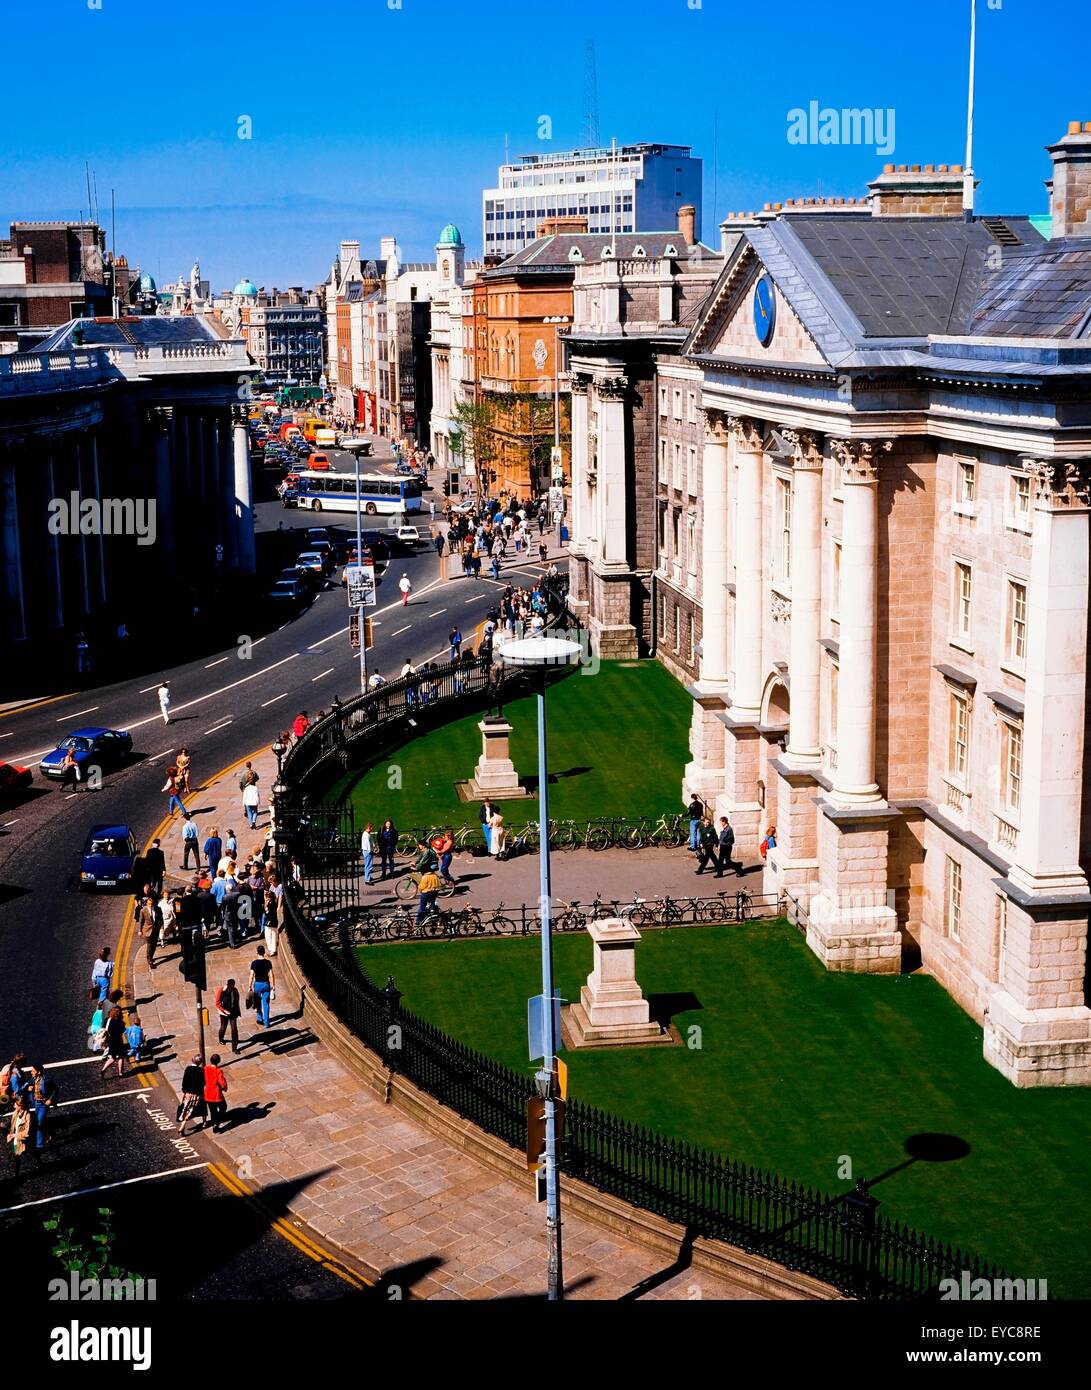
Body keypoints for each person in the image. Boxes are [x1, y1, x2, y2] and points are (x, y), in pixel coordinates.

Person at [23, 1064, 57, 1151]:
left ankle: (39, 1145)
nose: (31, 1072)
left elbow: (55, 1089)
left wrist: (50, 1099)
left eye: (33, 1071)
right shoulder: (33, 1080)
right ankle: (51, 1133)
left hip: (43, 1105)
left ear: (38, 1072)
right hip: (36, 1104)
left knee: (38, 1123)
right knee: (41, 1122)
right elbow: (25, 1087)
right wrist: (28, 1089)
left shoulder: (46, 1080)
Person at [7, 1095, 38, 1179]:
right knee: (16, 1157)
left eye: (16, 1104)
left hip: (25, 1141)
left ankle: (38, 1162)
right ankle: (16, 1175)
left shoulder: (28, 1116)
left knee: (31, 1151)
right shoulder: (15, 1113)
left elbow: (27, 1132)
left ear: (21, 1106)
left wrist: (14, 1135)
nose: (14, 1105)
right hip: (17, 1141)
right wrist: (10, 1134)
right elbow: (13, 1126)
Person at [177, 1054, 205, 1135]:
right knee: (190, 1111)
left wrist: (184, 1090)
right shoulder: (201, 1071)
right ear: (199, 1063)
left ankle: (182, 1127)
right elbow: (202, 1083)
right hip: (196, 1094)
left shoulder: (188, 1069)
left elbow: (184, 1080)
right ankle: (182, 1127)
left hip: (187, 1093)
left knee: (185, 1109)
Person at [249, 946, 275, 1029]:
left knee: (257, 1002)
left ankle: (260, 1019)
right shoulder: (268, 962)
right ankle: (267, 1022)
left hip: (257, 984)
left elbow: (251, 975)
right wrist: (273, 985)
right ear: (264, 952)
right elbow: (271, 975)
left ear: (257, 952)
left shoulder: (254, 963)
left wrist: (249, 986)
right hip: (266, 984)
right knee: (266, 1003)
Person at [203, 1054, 229, 1133]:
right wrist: (225, 1088)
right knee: (223, 1107)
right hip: (216, 1094)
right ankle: (217, 1122)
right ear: (218, 1061)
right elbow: (222, 1083)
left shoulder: (205, 1068)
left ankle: (214, 1123)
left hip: (207, 1093)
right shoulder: (218, 1071)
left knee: (212, 1110)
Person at [215, 978, 242, 1053]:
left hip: (233, 1012)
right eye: (231, 986)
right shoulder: (222, 990)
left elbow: (236, 1001)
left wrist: (238, 1011)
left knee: (234, 1029)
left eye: (233, 986)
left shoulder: (235, 990)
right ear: (227, 984)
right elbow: (217, 1003)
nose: (232, 987)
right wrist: (224, 1011)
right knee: (223, 1027)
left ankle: (234, 1048)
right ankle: (221, 1039)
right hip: (223, 1013)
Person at [101, 1007, 128, 1080]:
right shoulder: (119, 1022)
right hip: (118, 1041)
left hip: (110, 1041)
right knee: (121, 1057)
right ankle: (120, 1073)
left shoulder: (107, 1020)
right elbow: (123, 1030)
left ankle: (103, 1070)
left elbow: (104, 1028)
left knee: (112, 1058)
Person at [138, 894, 161, 971]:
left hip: (155, 930)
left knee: (154, 946)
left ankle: (151, 956)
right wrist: (140, 931)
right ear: (147, 903)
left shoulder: (157, 909)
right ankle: (150, 960)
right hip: (147, 930)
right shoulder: (143, 910)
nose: (151, 905)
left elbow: (160, 919)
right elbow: (141, 921)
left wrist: (161, 926)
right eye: (149, 904)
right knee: (150, 945)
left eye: (152, 904)